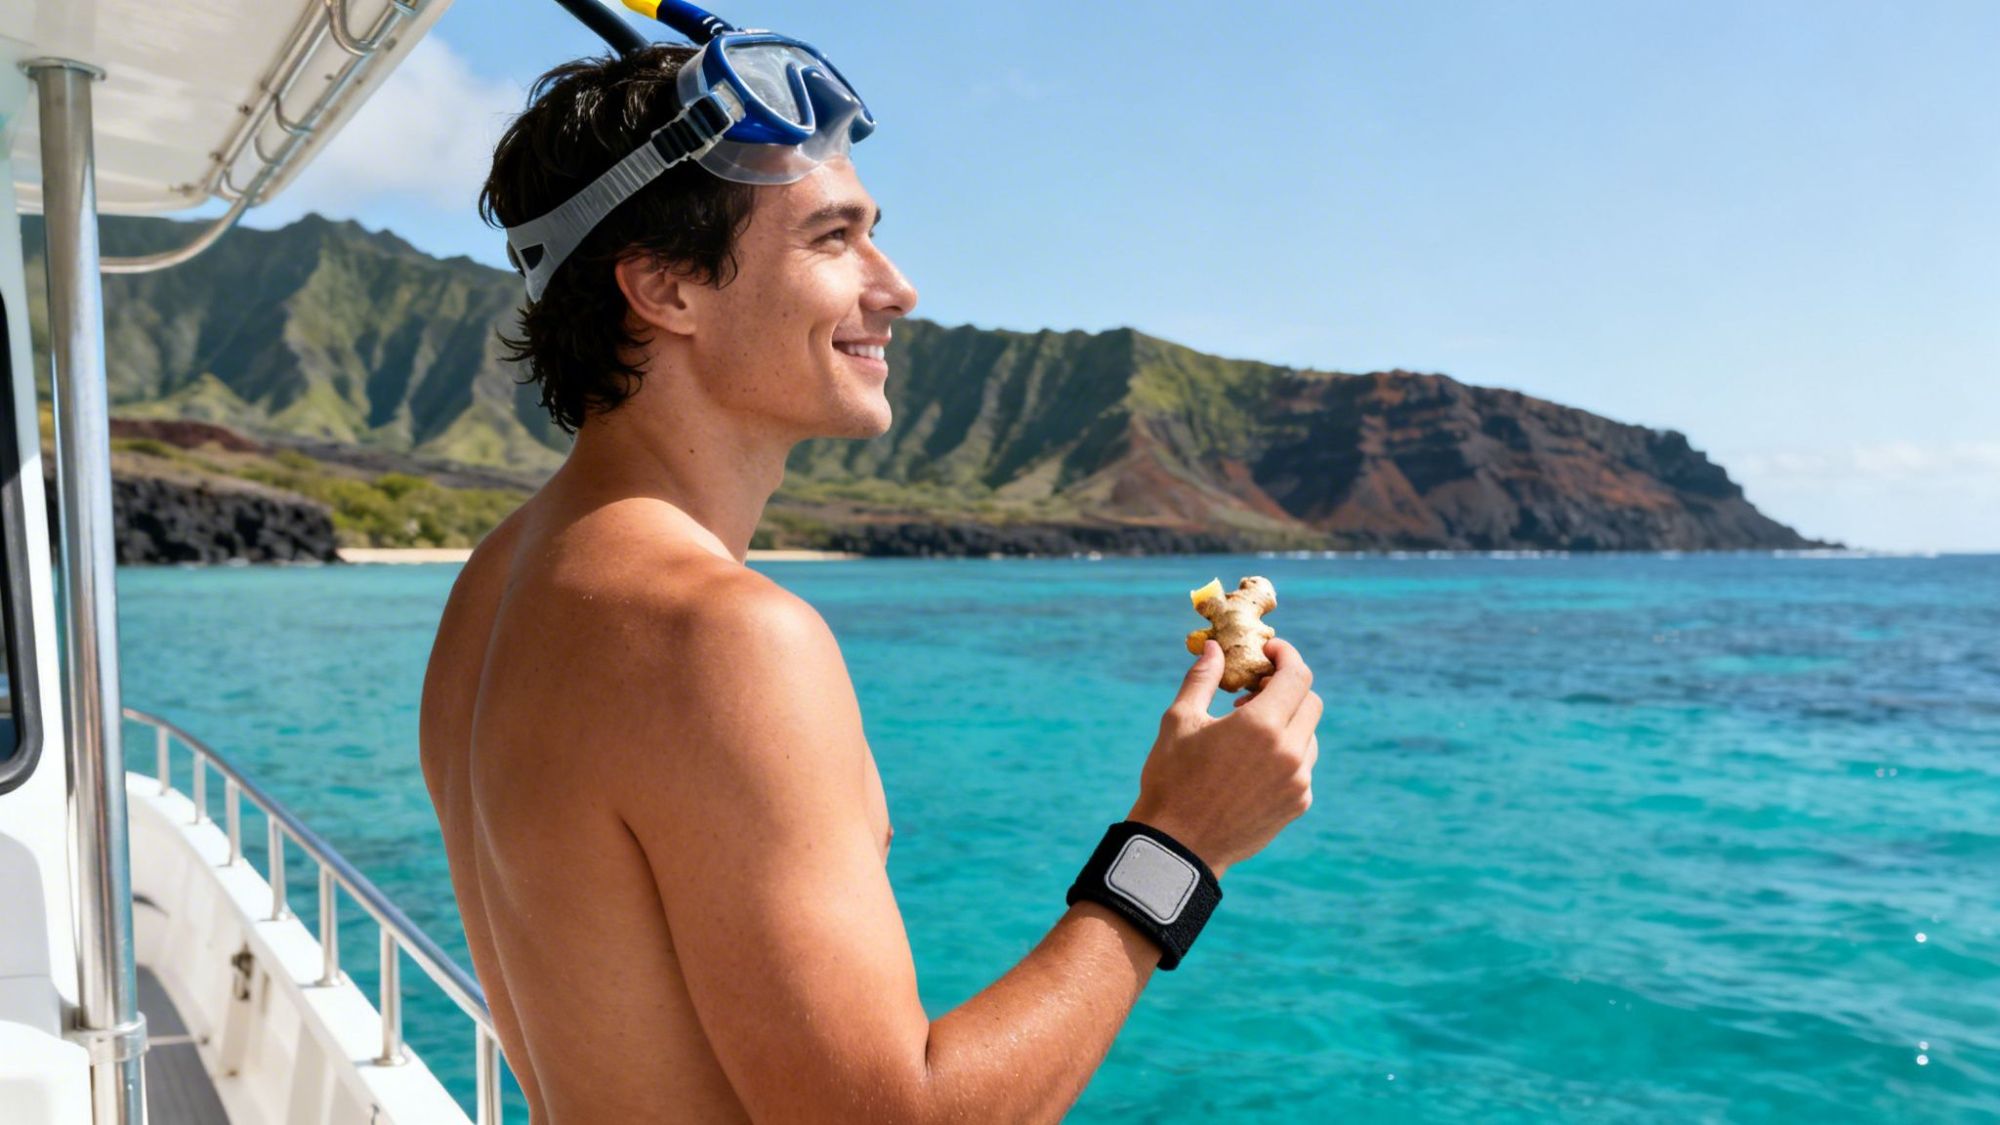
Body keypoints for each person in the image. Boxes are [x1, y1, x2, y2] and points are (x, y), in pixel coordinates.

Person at [420, 10, 1323, 1122]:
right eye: (831, 239)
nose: (895, 289)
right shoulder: (720, 635)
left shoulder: (495, 584)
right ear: (665, 290)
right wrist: (1179, 842)